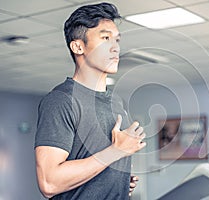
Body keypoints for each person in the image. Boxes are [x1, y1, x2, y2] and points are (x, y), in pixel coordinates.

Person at [34, 2, 146, 200]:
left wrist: (113, 181)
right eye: (105, 38)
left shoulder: (116, 102)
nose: (115, 48)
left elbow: (95, 165)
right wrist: (116, 151)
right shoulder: (61, 101)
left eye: (117, 40)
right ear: (78, 46)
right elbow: (49, 182)